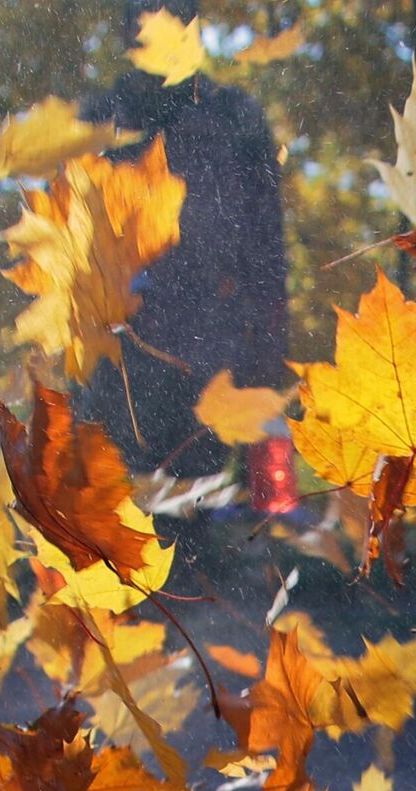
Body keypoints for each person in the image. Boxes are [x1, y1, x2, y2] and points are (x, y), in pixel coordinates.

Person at [77, 0, 291, 479]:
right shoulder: (99, 121)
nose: (155, 25)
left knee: (198, 522)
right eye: (145, 13)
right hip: (118, 369)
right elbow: (71, 258)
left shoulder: (235, 119)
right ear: (124, 28)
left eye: (172, 13)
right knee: (111, 528)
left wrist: (265, 371)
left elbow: (267, 258)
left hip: (212, 366)